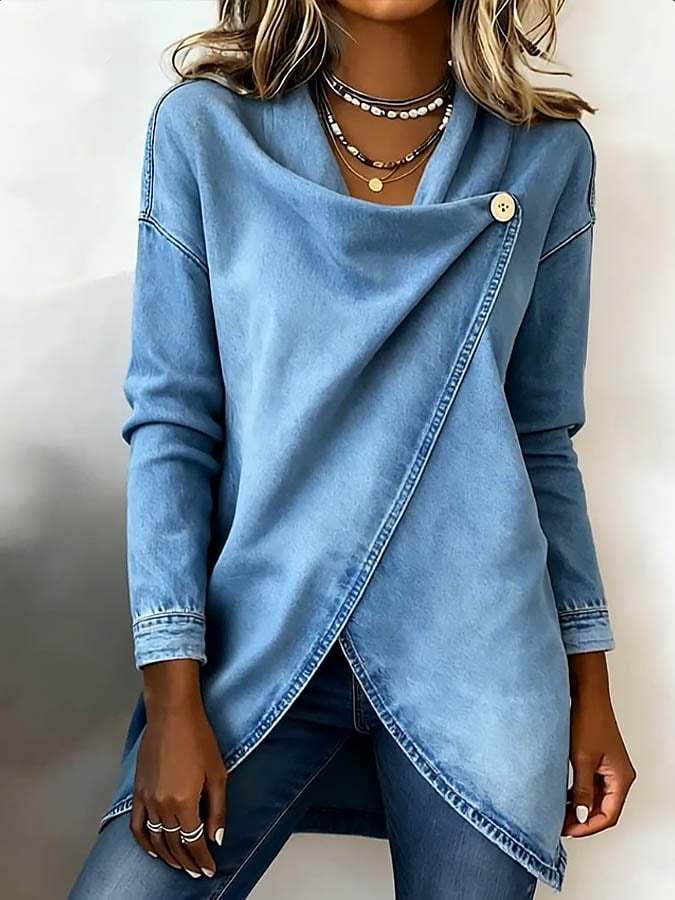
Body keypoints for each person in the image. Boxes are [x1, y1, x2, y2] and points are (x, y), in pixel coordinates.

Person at [68, 1, 636, 898]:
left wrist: (589, 683)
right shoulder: (207, 132)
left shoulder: (545, 154)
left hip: (478, 657)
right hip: (262, 638)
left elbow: (539, 440)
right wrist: (171, 693)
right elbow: (175, 423)